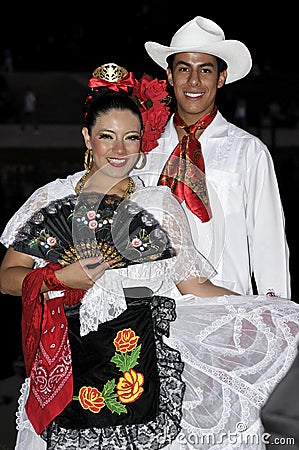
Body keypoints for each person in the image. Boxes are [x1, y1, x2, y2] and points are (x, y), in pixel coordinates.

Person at [0, 63, 299, 450]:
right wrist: (58, 279)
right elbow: (8, 278)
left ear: (144, 142)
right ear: (87, 138)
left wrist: (270, 315)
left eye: (131, 137)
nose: (120, 150)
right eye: (107, 137)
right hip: (66, 367)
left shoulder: (157, 205)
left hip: (141, 368)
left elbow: (193, 285)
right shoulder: (51, 198)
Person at [133, 15, 291, 298]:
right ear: (169, 75)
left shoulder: (248, 152)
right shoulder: (144, 149)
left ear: (221, 78)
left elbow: (269, 244)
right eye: (184, 69)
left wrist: (272, 320)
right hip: (152, 312)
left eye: (205, 70)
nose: (194, 81)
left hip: (225, 313)